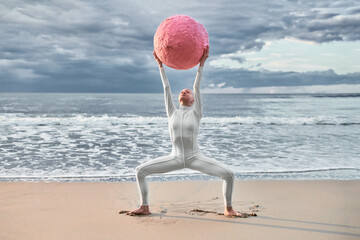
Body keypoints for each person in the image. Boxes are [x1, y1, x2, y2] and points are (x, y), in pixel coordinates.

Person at [128, 46, 241, 217]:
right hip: (175, 158)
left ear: (193, 100)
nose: (184, 91)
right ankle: (144, 206)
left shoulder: (196, 113)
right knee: (140, 171)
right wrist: (160, 65)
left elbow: (197, 87)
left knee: (229, 175)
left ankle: (229, 208)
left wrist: (201, 64)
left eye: (187, 92)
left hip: (195, 158)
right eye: (182, 91)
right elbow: (166, 89)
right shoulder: (172, 112)